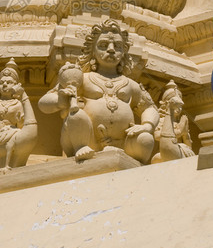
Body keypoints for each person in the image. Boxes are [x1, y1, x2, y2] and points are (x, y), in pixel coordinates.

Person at [40, 20, 159, 164]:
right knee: (76, 115)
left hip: (124, 144)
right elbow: (43, 104)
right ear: (93, 51)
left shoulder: (130, 84)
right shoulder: (81, 78)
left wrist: (147, 125)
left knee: (146, 138)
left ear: (124, 53)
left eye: (117, 46)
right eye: (103, 45)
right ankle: (81, 147)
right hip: (89, 141)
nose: (110, 49)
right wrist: (61, 100)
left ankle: (136, 163)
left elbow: (149, 107)